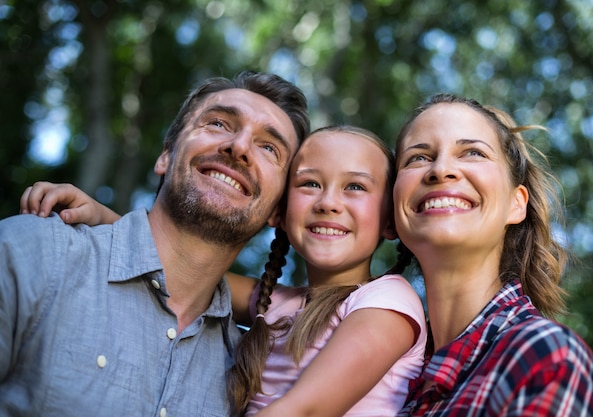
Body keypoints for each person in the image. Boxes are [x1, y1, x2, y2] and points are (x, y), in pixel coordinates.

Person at [19, 125, 428, 417]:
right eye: (309, 185)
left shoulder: (388, 300)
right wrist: (105, 218)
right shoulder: (278, 303)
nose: (328, 202)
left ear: (389, 221)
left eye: (354, 187)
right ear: (279, 213)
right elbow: (181, 269)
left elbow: (307, 409)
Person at [0, 70, 310, 417]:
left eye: (269, 147)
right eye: (219, 124)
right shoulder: (34, 253)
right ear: (166, 154)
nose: (238, 147)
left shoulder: (249, 377)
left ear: (278, 210)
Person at [388, 93, 593, 416]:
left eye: (472, 153)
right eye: (418, 158)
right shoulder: (390, 382)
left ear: (515, 203)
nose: (440, 170)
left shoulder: (546, 360)